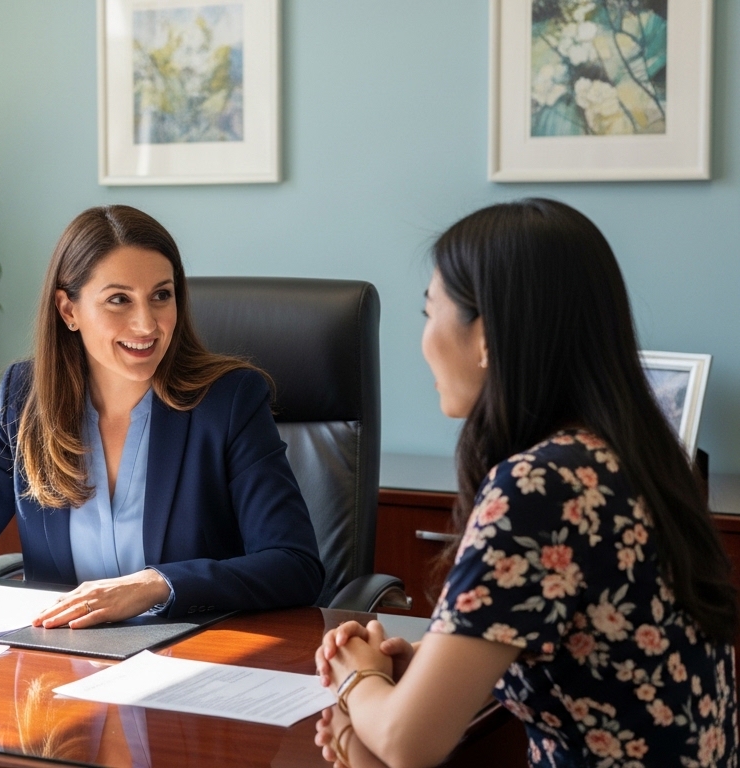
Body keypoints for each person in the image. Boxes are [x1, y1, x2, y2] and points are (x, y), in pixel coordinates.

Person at [314, 199, 737, 767]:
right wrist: (429, 664)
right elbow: (590, 653)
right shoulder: (638, 456)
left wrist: (355, 676)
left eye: (429, 312)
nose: (423, 340)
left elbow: (407, 743)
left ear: (485, 335)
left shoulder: (540, 486)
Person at [0, 204, 324, 627]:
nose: (147, 324)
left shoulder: (227, 402)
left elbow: (293, 563)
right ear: (69, 310)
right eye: (118, 300)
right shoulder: (24, 398)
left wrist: (157, 584)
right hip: (62, 660)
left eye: (161, 296)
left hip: (194, 655)